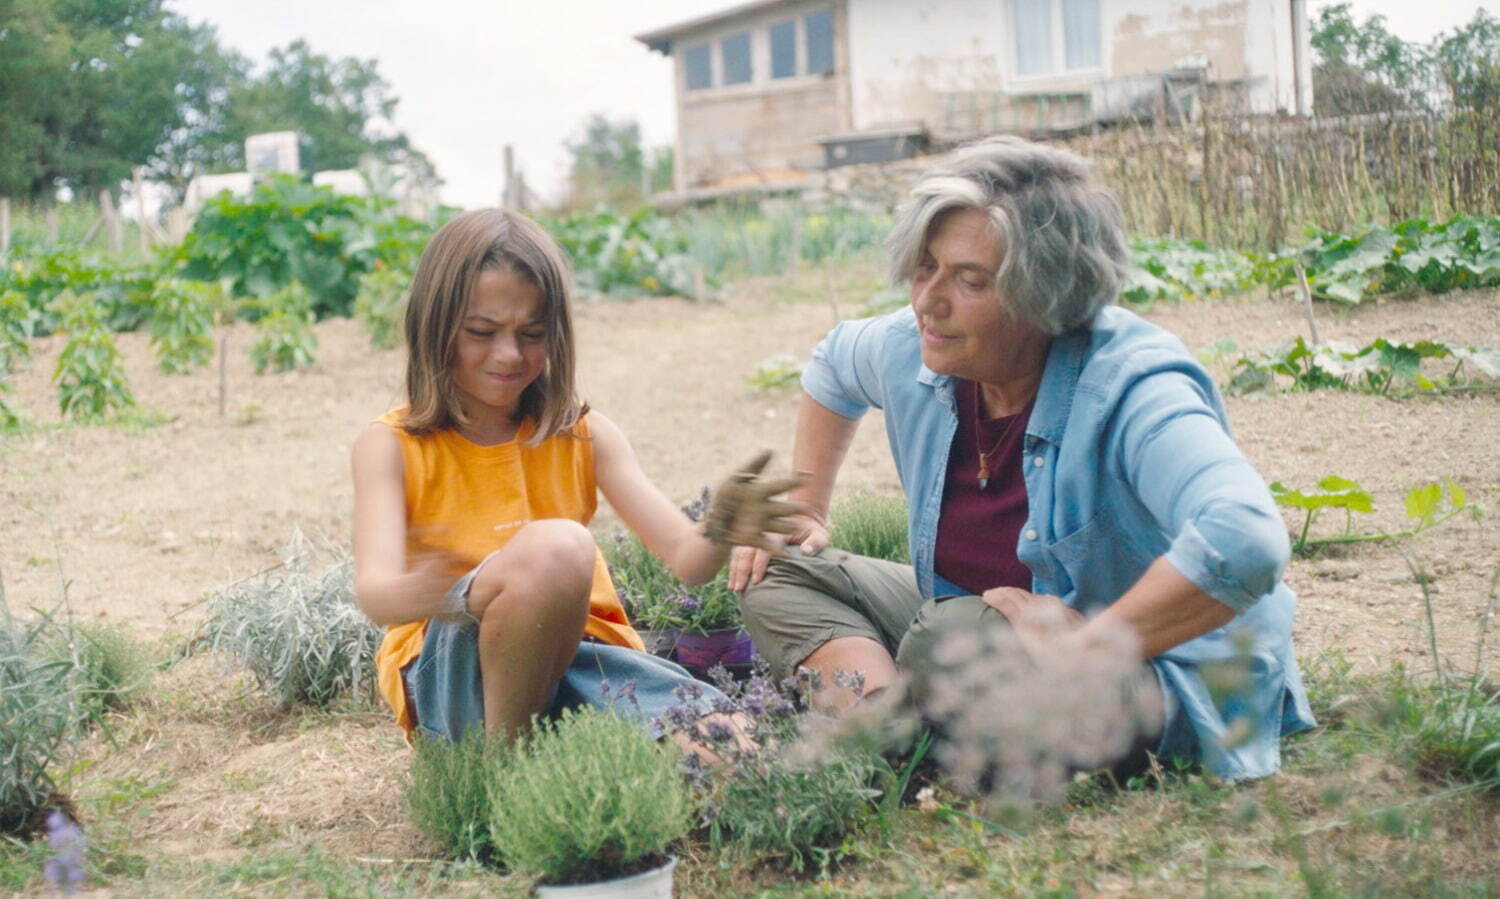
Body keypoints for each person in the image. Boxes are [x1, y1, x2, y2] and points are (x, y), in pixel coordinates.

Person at [729, 137, 1314, 781]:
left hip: (1153, 670)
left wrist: (1092, 647)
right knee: (774, 565)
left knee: (945, 636)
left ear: (1047, 295)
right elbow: (834, 361)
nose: (928, 301)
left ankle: (903, 735)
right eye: (925, 268)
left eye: (970, 280)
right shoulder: (922, 344)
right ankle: (884, 729)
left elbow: (1247, 539)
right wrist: (806, 506)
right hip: (971, 620)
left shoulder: (1133, 388)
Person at [352, 208, 798, 745]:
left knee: (738, 751)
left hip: (586, 656)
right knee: (558, 548)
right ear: (434, 325)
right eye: (482, 331)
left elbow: (689, 561)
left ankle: (556, 760)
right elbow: (376, 596)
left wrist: (720, 529)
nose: (509, 354)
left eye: (532, 333)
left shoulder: (586, 435)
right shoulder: (391, 445)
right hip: (456, 667)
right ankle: (498, 773)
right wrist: (455, 594)